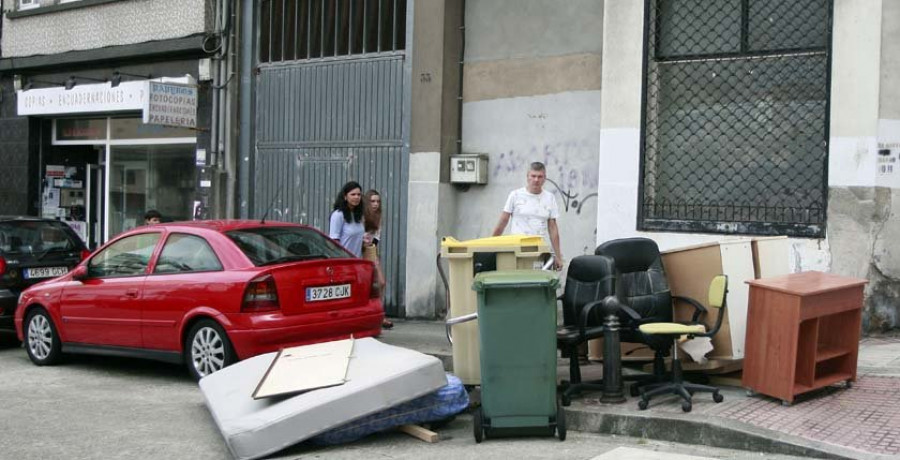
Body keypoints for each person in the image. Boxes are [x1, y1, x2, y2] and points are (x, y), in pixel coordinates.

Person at [492, 162, 564, 270]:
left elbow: (553, 228)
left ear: (545, 178)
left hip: (539, 251)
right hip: (517, 249)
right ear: (527, 177)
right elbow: (503, 221)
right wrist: (491, 245)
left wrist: (558, 256)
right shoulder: (515, 195)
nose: (536, 180)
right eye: (533, 176)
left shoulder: (550, 198)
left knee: (536, 282)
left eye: (540, 176)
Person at [363, 189, 392, 329]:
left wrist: (373, 253)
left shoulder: (379, 216)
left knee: (381, 282)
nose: (376, 204)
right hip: (358, 249)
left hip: (370, 249)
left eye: (378, 201)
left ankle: (380, 315)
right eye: (372, 201)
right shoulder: (361, 216)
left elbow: (376, 238)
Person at [329, 181, 365, 258]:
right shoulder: (338, 215)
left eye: (359, 195)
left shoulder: (358, 216)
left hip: (356, 262)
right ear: (345, 196)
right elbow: (334, 242)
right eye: (353, 194)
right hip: (343, 263)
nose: (356, 197)